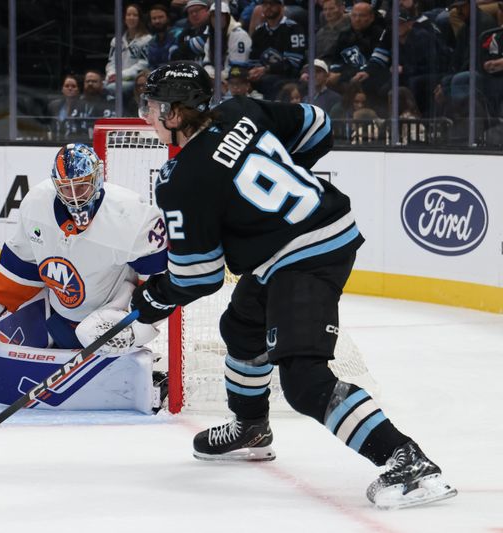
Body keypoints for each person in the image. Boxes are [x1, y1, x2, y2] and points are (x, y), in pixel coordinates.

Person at [131, 60, 457, 509]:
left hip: (307, 254)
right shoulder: (239, 111)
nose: (145, 116)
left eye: (152, 107)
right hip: (310, 234)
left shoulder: (183, 181)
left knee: (304, 380)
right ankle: (251, 427)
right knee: (243, 326)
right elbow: (319, 126)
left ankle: (407, 460)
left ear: (175, 113)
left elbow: (198, 275)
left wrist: (148, 301)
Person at [0, 143, 170, 413]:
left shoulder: (131, 215)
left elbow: (161, 284)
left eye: (82, 186)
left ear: (97, 180)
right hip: (58, 313)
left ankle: (148, 377)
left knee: (91, 334)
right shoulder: (36, 205)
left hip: (108, 314)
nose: (74, 197)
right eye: (66, 188)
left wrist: (137, 325)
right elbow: (20, 270)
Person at [246, 0, 307, 100]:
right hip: (264, 75)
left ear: (282, 7)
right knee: (239, 78)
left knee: (269, 82)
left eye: (272, 4)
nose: (268, 7)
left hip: (288, 76)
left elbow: (293, 63)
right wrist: (254, 71)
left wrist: (266, 69)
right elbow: (253, 60)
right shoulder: (259, 31)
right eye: (265, 4)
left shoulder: (294, 28)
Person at [105, 3, 152, 98]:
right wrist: (111, 74)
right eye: (128, 15)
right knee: (98, 86)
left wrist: (121, 75)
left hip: (134, 79)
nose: (131, 18)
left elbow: (143, 64)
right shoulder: (116, 40)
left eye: (135, 15)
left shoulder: (147, 39)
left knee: (111, 88)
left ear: (140, 18)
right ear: (124, 18)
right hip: (115, 78)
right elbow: (111, 62)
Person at [202, 1, 252, 79]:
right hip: (215, 79)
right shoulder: (211, 37)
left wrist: (218, 78)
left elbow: (237, 68)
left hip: (237, 79)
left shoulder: (239, 35)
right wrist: (211, 75)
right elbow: (207, 62)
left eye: (220, 16)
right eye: (213, 16)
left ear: (227, 17)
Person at [146, 3, 183, 69]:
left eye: (160, 17)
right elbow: (151, 65)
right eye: (154, 18)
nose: (157, 21)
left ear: (168, 18)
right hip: (157, 76)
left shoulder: (179, 34)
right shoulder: (151, 42)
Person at [48, 74, 83, 140]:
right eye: (67, 86)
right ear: (62, 89)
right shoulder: (54, 106)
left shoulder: (83, 107)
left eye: (73, 86)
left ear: (78, 90)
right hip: (55, 144)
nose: (70, 88)